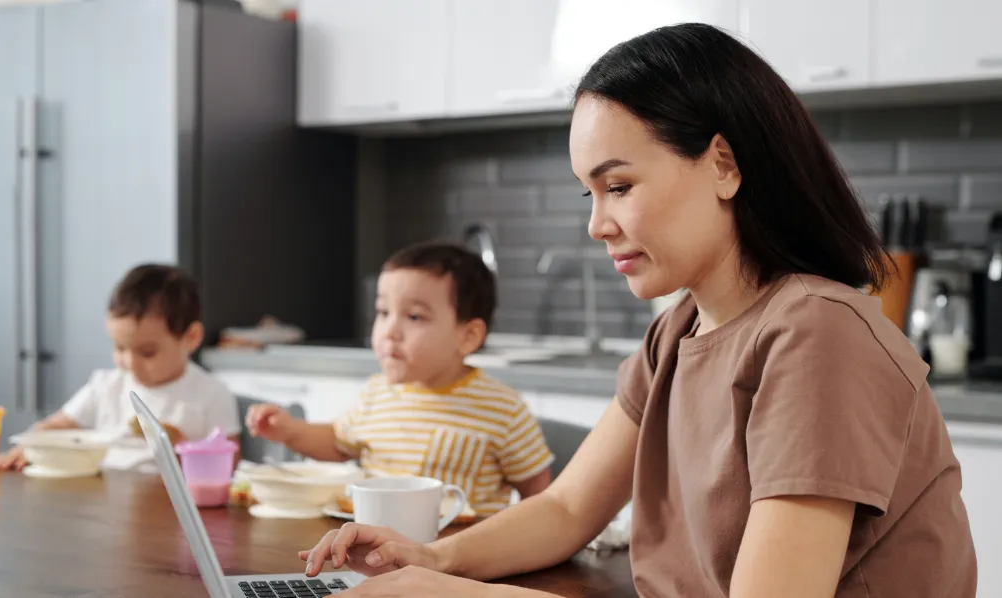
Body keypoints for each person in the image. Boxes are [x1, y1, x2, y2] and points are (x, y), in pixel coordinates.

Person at [296, 23, 978, 598]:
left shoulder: (820, 334)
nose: (597, 224)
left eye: (618, 186)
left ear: (723, 165)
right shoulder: (676, 334)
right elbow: (566, 510)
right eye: (587, 195)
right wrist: (431, 560)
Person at [246, 242, 554, 516]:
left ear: (468, 336)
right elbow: (339, 445)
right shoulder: (375, 393)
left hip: (460, 556)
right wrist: (290, 431)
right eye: (383, 312)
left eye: (415, 316)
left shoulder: (502, 408)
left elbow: (539, 495)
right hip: (372, 547)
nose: (389, 331)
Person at [0, 264, 241, 471]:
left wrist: (179, 444)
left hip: (169, 508)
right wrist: (29, 444)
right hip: (104, 495)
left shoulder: (211, 393)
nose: (129, 363)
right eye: (120, 348)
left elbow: (229, 467)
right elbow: (56, 425)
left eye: (147, 352)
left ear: (192, 337)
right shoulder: (106, 385)